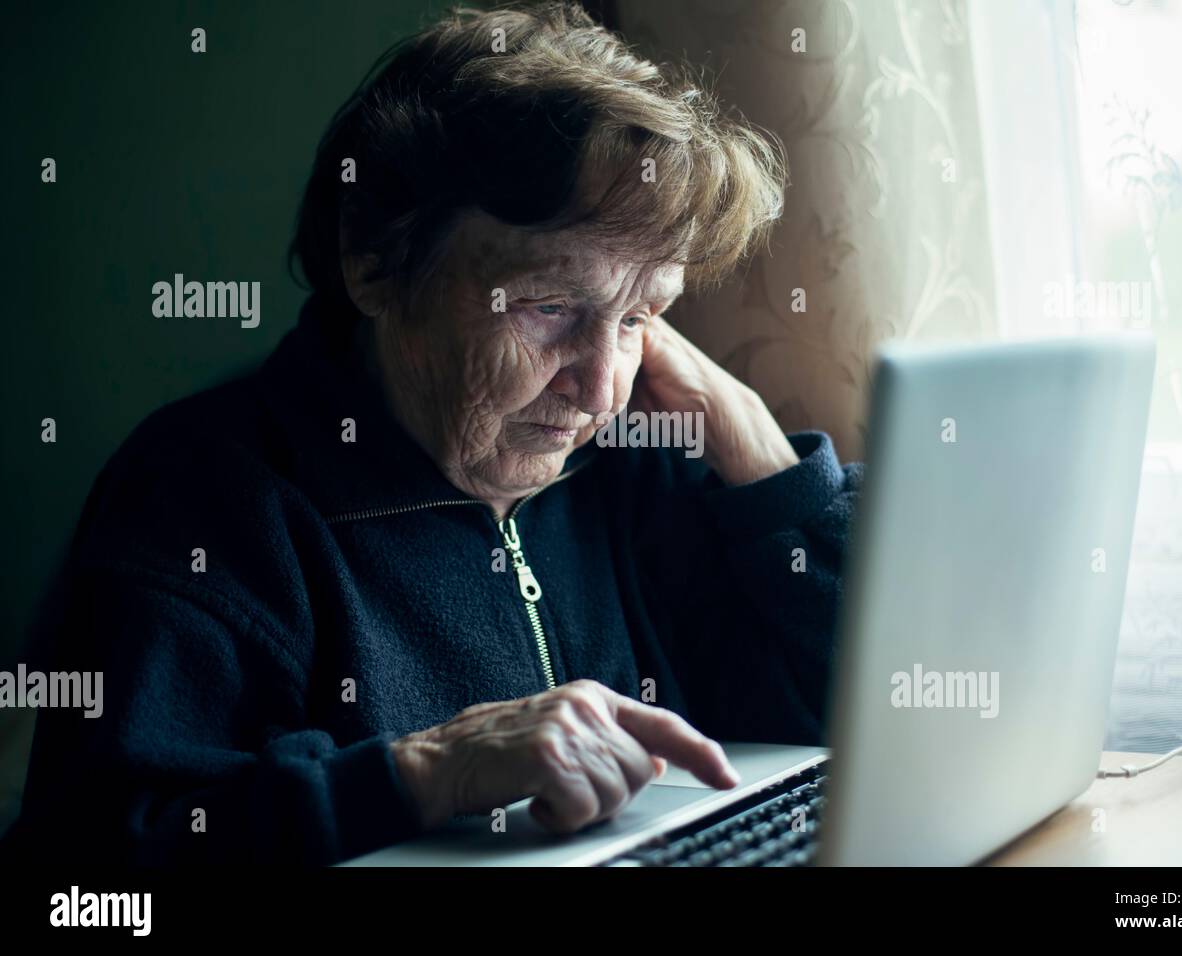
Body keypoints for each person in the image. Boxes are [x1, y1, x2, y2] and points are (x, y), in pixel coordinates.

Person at [3, 1, 861, 865]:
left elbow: (871, 720)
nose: (599, 388)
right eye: (550, 306)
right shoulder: (204, 496)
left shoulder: (637, 464)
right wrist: (423, 774)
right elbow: (87, 882)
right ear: (375, 261)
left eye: (640, 316)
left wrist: (764, 459)